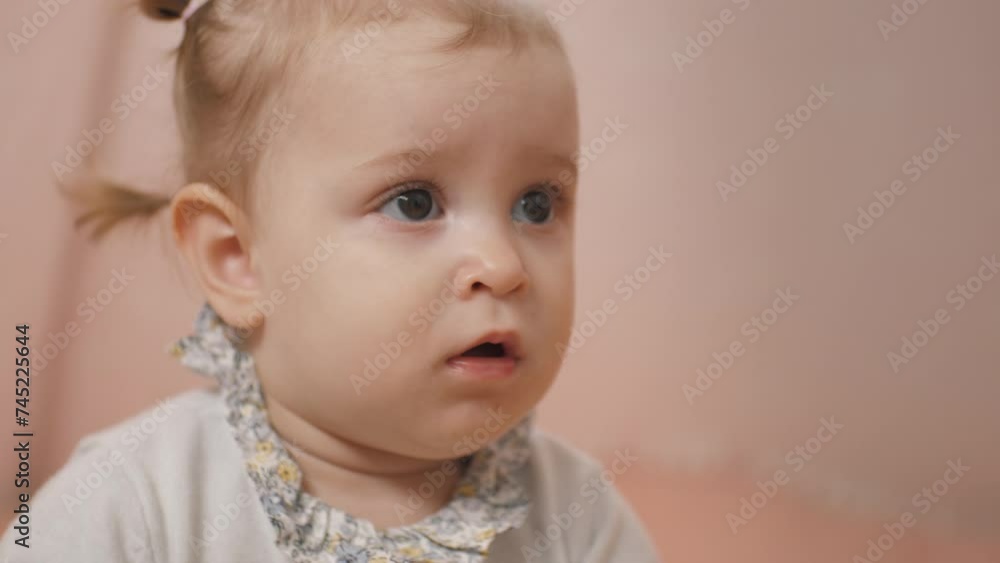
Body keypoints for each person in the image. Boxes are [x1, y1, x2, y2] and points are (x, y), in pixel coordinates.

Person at [1, 1, 660, 561]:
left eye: (537, 205)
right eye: (414, 203)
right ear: (239, 258)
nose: (504, 264)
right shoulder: (133, 505)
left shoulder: (577, 517)